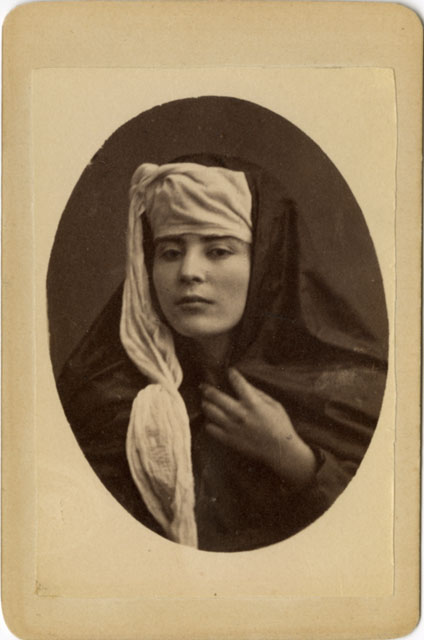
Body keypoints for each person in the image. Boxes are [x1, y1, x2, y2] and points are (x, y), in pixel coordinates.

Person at [57, 154, 388, 552]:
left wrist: (292, 456)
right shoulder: (106, 398)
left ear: (266, 261)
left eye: (218, 251)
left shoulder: (350, 390)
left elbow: (380, 541)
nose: (189, 272)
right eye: (170, 252)